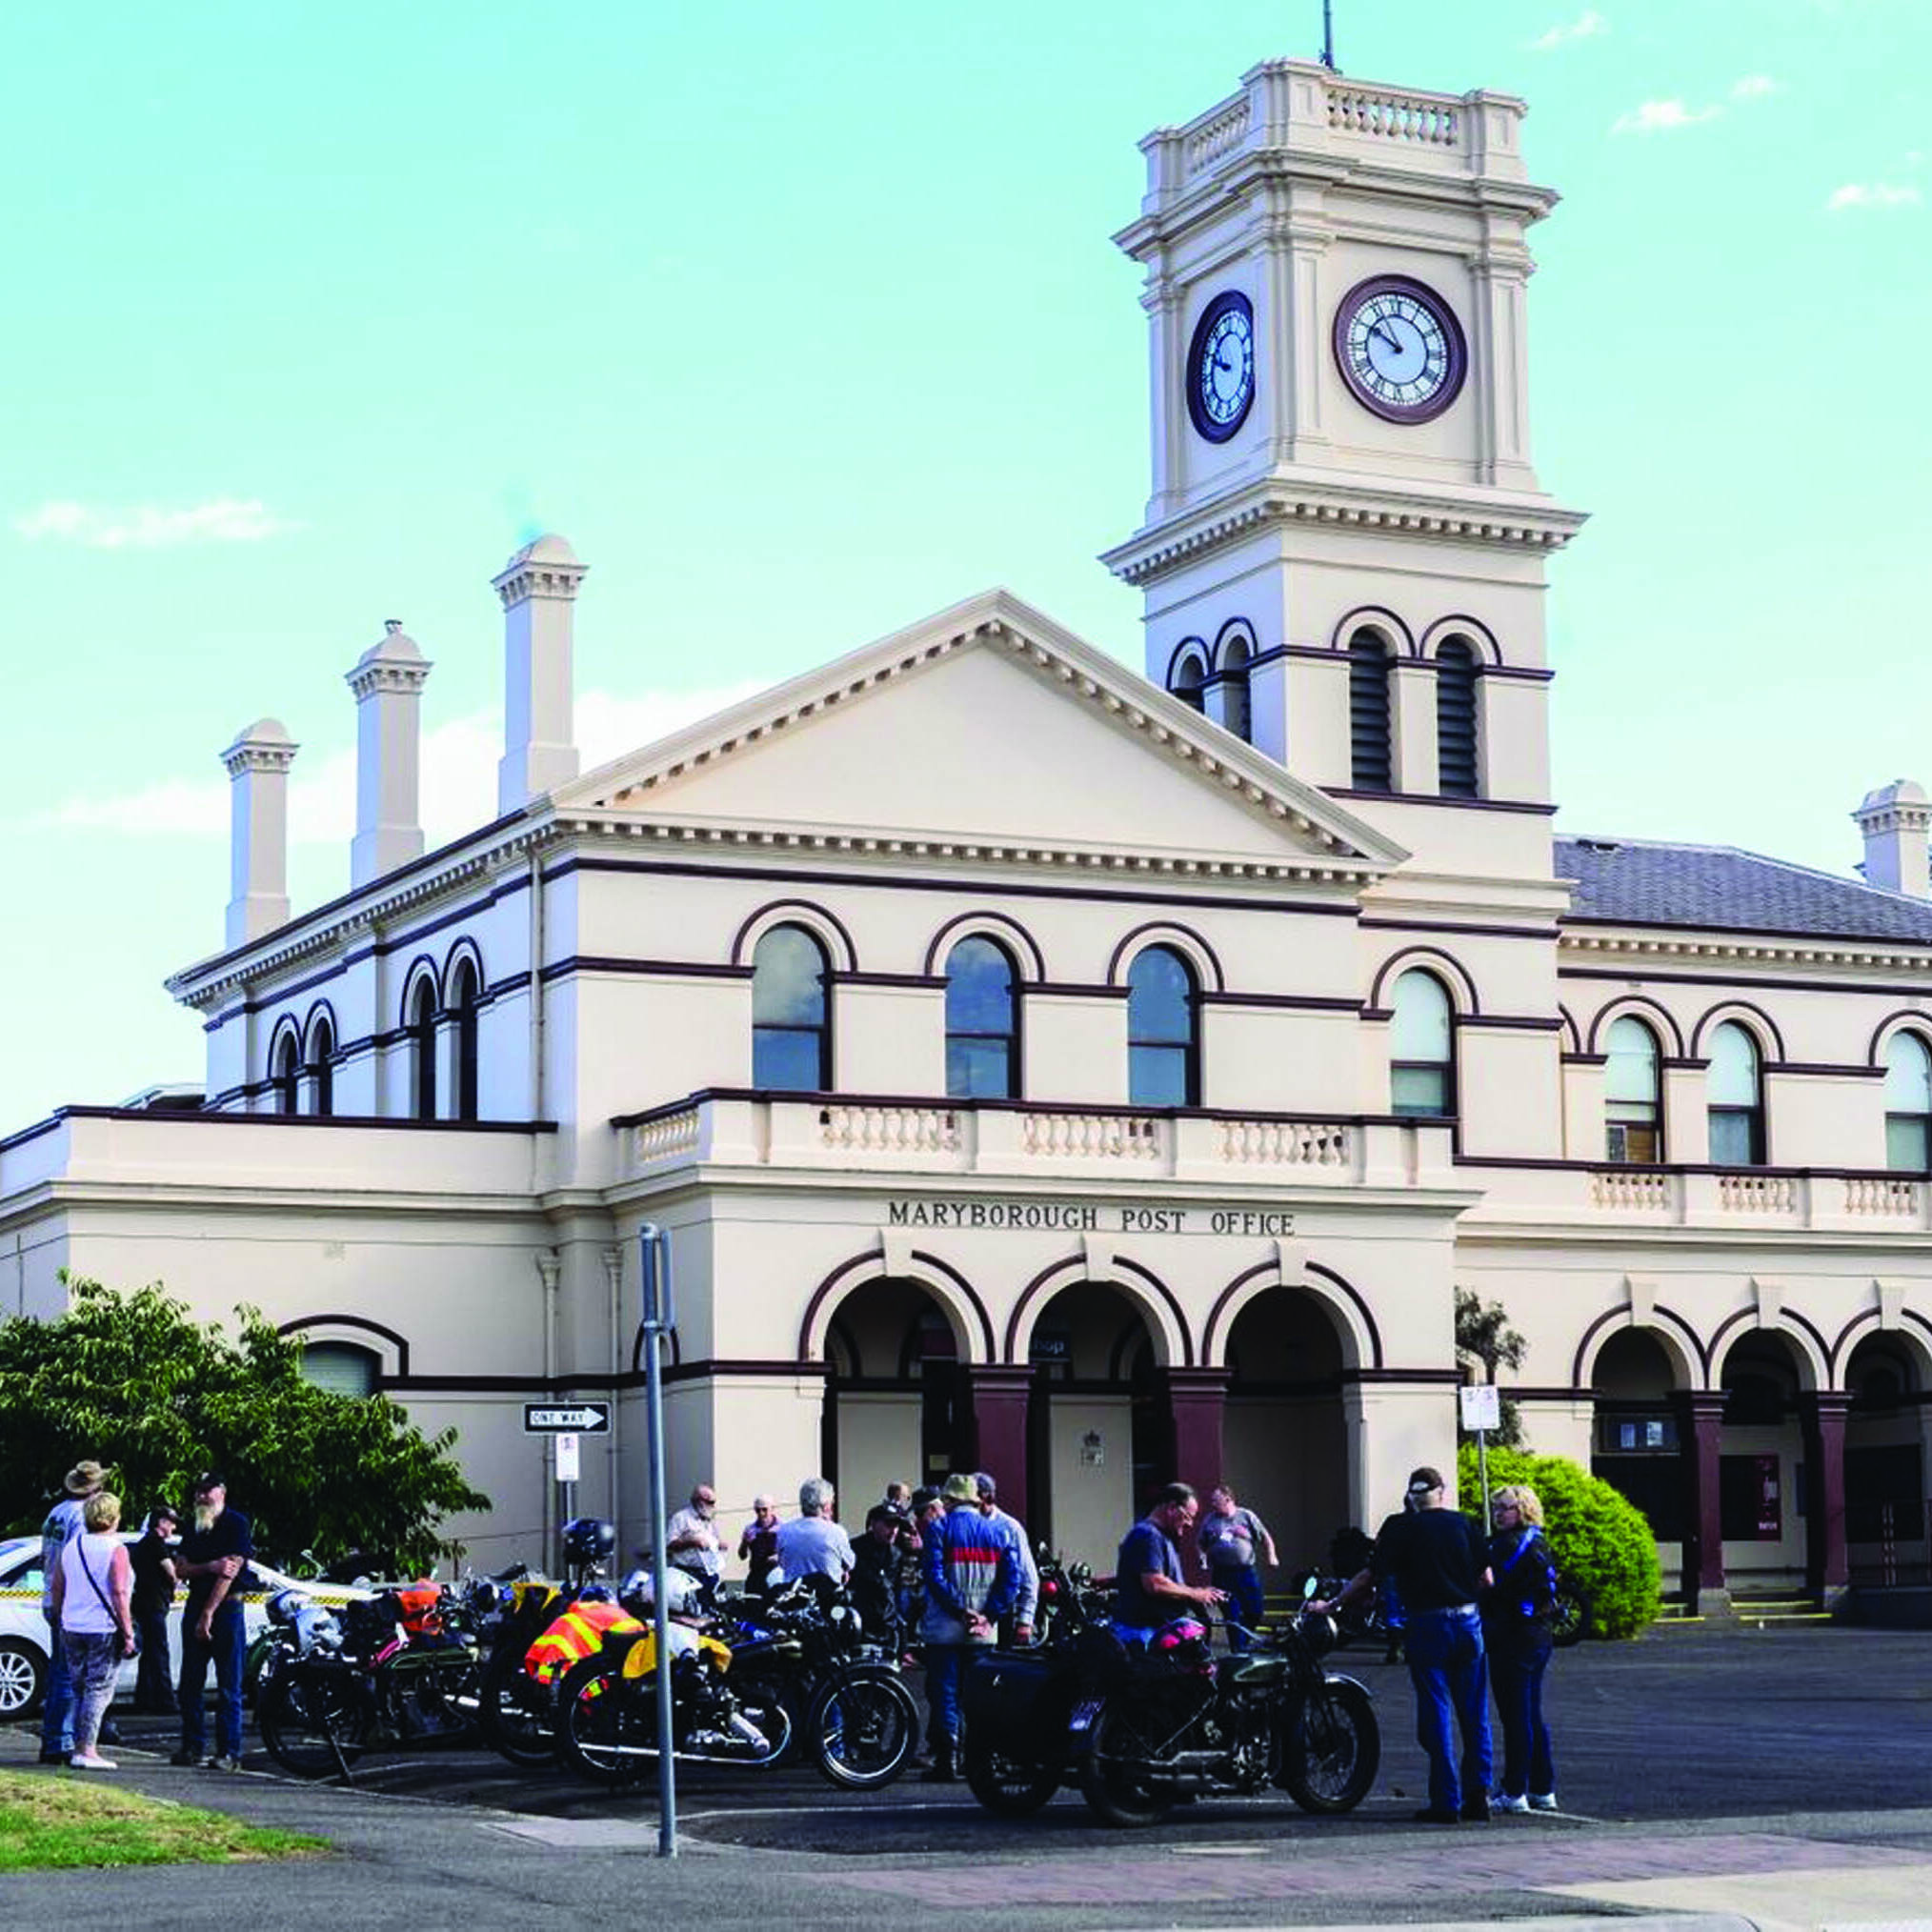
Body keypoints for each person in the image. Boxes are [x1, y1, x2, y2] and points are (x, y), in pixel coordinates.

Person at [1316, 1466, 1494, 1823]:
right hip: (1467, 1620)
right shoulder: (1464, 1523)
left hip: (1427, 1622)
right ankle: (1478, 1795)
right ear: (1441, 1491)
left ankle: (1446, 1801)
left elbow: (1370, 1577)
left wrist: (1332, 1604)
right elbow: (1487, 1579)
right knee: (1474, 1713)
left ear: (1412, 1496)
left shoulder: (1401, 1528)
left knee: (1437, 1710)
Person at [919, 1473, 1020, 1781]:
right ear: (977, 1501)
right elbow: (1011, 1582)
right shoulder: (998, 1532)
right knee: (977, 1696)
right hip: (983, 1632)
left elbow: (934, 1578)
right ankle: (977, 1759)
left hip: (944, 1629)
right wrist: (988, 1615)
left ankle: (948, 1759)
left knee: (945, 1694)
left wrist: (958, 1610)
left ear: (949, 1501)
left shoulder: (938, 1529)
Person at [1484, 1483, 1559, 1814]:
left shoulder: (1503, 1547)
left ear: (1522, 1510)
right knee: (1531, 1714)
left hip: (1511, 1636)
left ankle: (1514, 1790)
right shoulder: (1538, 1541)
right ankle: (1543, 1788)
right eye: (1496, 1507)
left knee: (1515, 1717)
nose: (1498, 1514)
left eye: (1505, 1508)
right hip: (1538, 1635)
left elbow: (1488, 1586)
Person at [48, 1490, 135, 1770]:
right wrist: (128, 1630)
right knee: (99, 1689)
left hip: (72, 1625)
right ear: (113, 1517)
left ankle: (76, 1744)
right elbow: (119, 1592)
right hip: (102, 1627)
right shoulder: (116, 1549)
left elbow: (58, 1586)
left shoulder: (72, 1546)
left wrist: (62, 1617)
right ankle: (87, 1749)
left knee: (78, 1687)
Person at [171, 1472, 253, 1772]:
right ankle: (192, 1746)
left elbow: (229, 1572)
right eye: (199, 1491)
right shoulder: (195, 1526)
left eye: (208, 1491)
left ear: (222, 1492)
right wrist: (208, 1566)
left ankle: (229, 1752)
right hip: (195, 1604)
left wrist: (208, 1613)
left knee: (229, 1684)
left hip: (227, 1608)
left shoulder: (236, 1524)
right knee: (190, 1682)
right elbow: (181, 1569)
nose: (202, 1497)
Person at [38, 1460, 106, 1764]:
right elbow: (74, 1562)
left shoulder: (57, 1513)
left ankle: (53, 1734)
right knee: (69, 1674)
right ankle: (59, 1739)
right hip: (68, 1601)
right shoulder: (81, 1518)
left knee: (59, 1671)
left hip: (51, 1597)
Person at [1111, 1481, 1226, 1640]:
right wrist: (1195, 1594)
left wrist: (1202, 1592)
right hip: (1145, 1632)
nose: (1190, 1524)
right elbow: (1154, 1584)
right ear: (1172, 1508)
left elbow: (1139, 1577)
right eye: (1188, 1517)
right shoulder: (1149, 1535)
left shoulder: (1159, 1536)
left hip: (1153, 1629)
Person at [1197, 1482, 1278, 1652]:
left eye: (1216, 1500)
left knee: (1255, 1611)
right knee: (1231, 1615)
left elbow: (1265, 1537)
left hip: (1245, 1572)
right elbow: (1200, 1544)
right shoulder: (1210, 1520)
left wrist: (1271, 1556)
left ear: (1228, 1499)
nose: (1212, 1504)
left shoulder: (1246, 1516)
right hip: (1222, 1574)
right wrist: (1202, 1558)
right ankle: (1238, 1652)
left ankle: (1244, 1643)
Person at [973, 1472, 1038, 1645]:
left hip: (1002, 1610)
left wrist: (1025, 1620)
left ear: (984, 1496)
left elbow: (1028, 1576)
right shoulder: (966, 1526)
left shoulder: (1009, 1527)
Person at [128, 1504, 181, 1714]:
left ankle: (144, 1698)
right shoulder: (156, 1544)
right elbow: (171, 1572)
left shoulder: (141, 1545)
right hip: (154, 1604)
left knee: (149, 1654)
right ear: (162, 1523)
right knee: (159, 1652)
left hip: (142, 1602)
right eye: (172, 1523)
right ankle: (165, 1700)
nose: (174, 1528)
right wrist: (178, 1579)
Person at [774, 1477, 854, 1583]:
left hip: (793, 1594)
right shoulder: (836, 1532)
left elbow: (782, 1563)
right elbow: (849, 1563)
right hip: (828, 1595)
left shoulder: (784, 1531)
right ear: (825, 1506)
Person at [851, 1503, 904, 1643]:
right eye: (888, 1525)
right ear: (873, 1524)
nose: (893, 1531)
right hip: (862, 1622)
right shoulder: (856, 1549)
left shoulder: (896, 1554)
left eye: (896, 1526)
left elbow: (896, 1590)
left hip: (888, 1623)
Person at [665, 1482, 728, 1602]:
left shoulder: (709, 1519)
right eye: (710, 1502)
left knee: (712, 1608)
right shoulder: (681, 1518)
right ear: (698, 1501)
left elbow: (715, 1539)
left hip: (709, 1572)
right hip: (687, 1574)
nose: (713, 1506)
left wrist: (720, 1544)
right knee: (694, 1610)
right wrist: (690, 1542)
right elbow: (670, 1545)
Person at [738, 1493, 780, 1594]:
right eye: (758, 1510)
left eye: (764, 1510)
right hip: (756, 1574)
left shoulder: (783, 1528)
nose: (761, 1513)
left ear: (772, 1509)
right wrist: (745, 1543)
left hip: (776, 1574)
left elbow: (791, 1553)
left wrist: (778, 1556)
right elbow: (742, 1556)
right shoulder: (750, 1529)